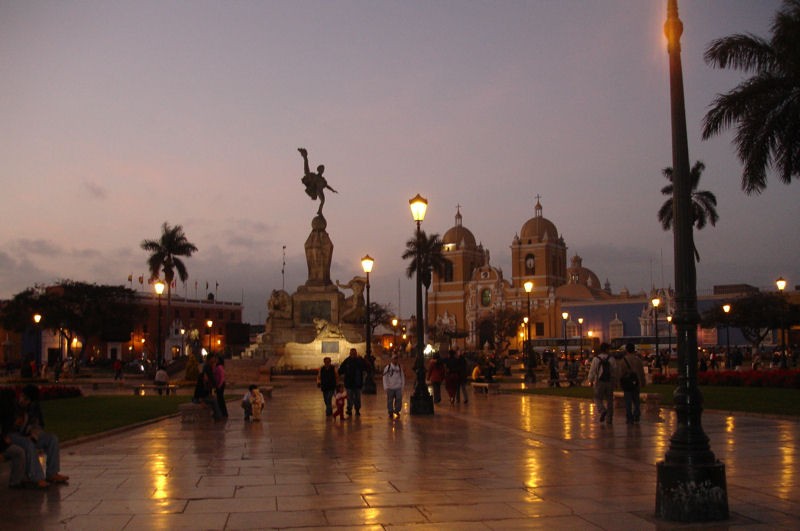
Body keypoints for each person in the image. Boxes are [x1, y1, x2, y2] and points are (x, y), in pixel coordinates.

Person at [10, 384, 69, 487]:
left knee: (52, 439)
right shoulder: (13, 407)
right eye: (23, 397)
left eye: (27, 400)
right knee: (29, 445)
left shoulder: (33, 408)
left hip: (29, 435)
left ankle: (52, 473)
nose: (23, 401)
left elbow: (37, 426)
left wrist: (33, 436)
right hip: (13, 436)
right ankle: (36, 477)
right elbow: (9, 427)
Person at [298, 147, 338, 216]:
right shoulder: (315, 176)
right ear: (318, 170)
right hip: (317, 190)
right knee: (322, 200)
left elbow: (327, 186)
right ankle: (319, 211)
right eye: (321, 169)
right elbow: (307, 172)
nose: (322, 170)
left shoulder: (323, 180)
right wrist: (305, 158)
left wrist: (332, 190)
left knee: (323, 201)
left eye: (323, 169)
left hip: (320, 191)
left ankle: (319, 211)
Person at [0, 389, 27, 489]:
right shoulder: (6, 412)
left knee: (19, 450)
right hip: (2, 445)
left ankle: (17, 480)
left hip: (3, 444)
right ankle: (15, 482)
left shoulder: (7, 413)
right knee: (19, 452)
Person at [587, 343, 616, 424]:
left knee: (597, 398)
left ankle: (602, 410)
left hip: (599, 382)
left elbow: (592, 371)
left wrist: (590, 380)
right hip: (609, 382)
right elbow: (614, 371)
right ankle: (609, 419)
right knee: (610, 400)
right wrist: (615, 382)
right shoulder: (611, 359)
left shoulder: (596, 359)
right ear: (607, 349)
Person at [619, 343, 646, 424]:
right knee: (636, 400)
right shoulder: (638, 360)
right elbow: (641, 372)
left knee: (628, 401)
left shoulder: (623, 361)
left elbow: (620, 374)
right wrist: (643, 382)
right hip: (636, 383)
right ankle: (637, 415)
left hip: (627, 383)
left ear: (626, 350)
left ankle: (629, 417)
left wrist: (619, 383)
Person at [338, 348, 367, 417]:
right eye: (352, 353)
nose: (353, 354)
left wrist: (363, 360)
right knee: (349, 398)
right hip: (349, 383)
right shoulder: (347, 361)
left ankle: (357, 410)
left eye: (354, 353)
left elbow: (366, 367)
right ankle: (349, 409)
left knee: (357, 398)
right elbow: (341, 370)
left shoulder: (359, 361)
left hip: (357, 383)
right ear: (350, 353)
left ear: (356, 353)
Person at [382, 354, 405, 418]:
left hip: (398, 387)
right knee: (390, 400)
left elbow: (402, 377)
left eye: (396, 359)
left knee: (399, 399)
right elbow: (385, 377)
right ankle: (390, 411)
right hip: (390, 387)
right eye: (394, 359)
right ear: (392, 359)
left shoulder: (399, 367)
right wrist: (385, 386)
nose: (395, 360)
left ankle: (397, 410)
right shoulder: (388, 367)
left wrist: (402, 386)